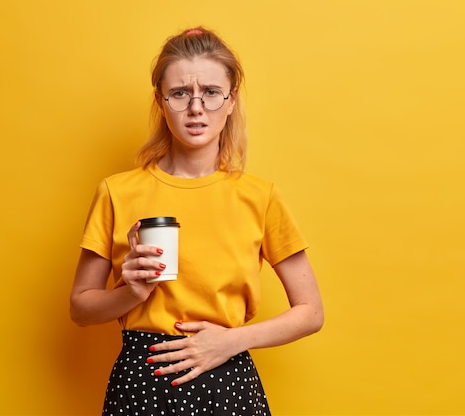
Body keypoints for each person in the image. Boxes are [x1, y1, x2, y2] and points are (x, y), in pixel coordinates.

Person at [70, 26, 324, 416]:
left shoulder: (259, 197)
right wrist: (132, 292)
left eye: (210, 92)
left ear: (231, 99)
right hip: (141, 382)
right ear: (160, 100)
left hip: (228, 380)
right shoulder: (117, 192)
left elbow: (310, 311)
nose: (195, 108)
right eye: (179, 94)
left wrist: (231, 341)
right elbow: (81, 308)